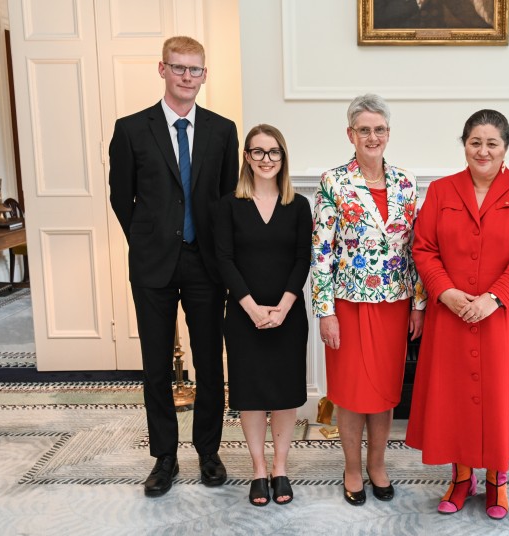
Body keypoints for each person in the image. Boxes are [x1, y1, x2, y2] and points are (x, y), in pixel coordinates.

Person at [406, 109, 509, 520]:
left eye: (492, 143)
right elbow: (423, 248)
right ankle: (460, 478)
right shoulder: (441, 191)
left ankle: (497, 480)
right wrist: (447, 292)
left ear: (505, 148)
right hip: (452, 315)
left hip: (506, 317)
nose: (483, 150)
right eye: (475, 142)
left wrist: (494, 297)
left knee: (500, 395)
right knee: (455, 397)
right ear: (464, 145)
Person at [109, 36, 239, 497]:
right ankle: (164, 457)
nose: (187, 77)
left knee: (209, 360)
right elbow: (120, 197)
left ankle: (208, 450)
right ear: (162, 70)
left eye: (195, 70)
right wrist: (148, 240)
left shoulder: (223, 131)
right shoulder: (130, 129)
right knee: (156, 364)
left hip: (205, 263)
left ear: (205, 75)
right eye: (179, 68)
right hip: (153, 265)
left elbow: (226, 201)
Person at [311, 93, 426, 506]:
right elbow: (321, 252)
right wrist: (325, 312)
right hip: (348, 305)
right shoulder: (334, 181)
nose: (372, 137)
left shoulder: (407, 183)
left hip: (395, 305)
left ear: (388, 134)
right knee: (350, 391)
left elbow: (418, 250)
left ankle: (377, 465)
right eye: (364, 130)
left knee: (383, 392)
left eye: (379, 129)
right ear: (351, 134)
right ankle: (353, 469)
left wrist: (418, 304)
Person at [214, 124, 311, 507]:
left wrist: (284, 306)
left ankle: (280, 467)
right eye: (258, 152)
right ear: (247, 158)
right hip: (243, 315)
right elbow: (224, 259)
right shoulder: (228, 205)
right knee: (251, 396)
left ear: (283, 158)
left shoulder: (298, 205)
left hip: (288, 314)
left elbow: (303, 258)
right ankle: (258, 469)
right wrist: (252, 308)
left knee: (285, 395)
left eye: (273, 152)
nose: (266, 159)